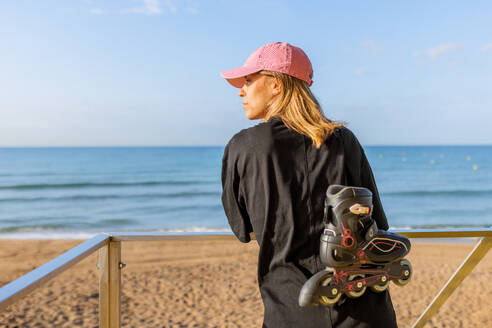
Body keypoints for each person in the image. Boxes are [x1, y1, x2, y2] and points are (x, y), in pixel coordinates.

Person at [220, 42, 398, 328]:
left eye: (249, 81)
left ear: (276, 84)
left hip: (291, 308)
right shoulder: (345, 141)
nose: (241, 90)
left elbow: (245, 228)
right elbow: (375, 220)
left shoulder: (244, 146)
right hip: (364, 307)